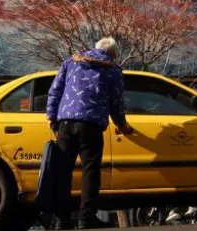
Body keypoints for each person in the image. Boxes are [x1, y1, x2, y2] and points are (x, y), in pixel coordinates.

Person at [46, 37, 133, 230]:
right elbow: (116, 103)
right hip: (91, 126)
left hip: (65, 124)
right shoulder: (112, 69)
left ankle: (62, 220)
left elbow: (55, 91)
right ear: (113, 54)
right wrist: (123, 125)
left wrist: (52, 117)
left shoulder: (71, 61)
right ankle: (86, 218)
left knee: (63, 172)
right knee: (90, 172)